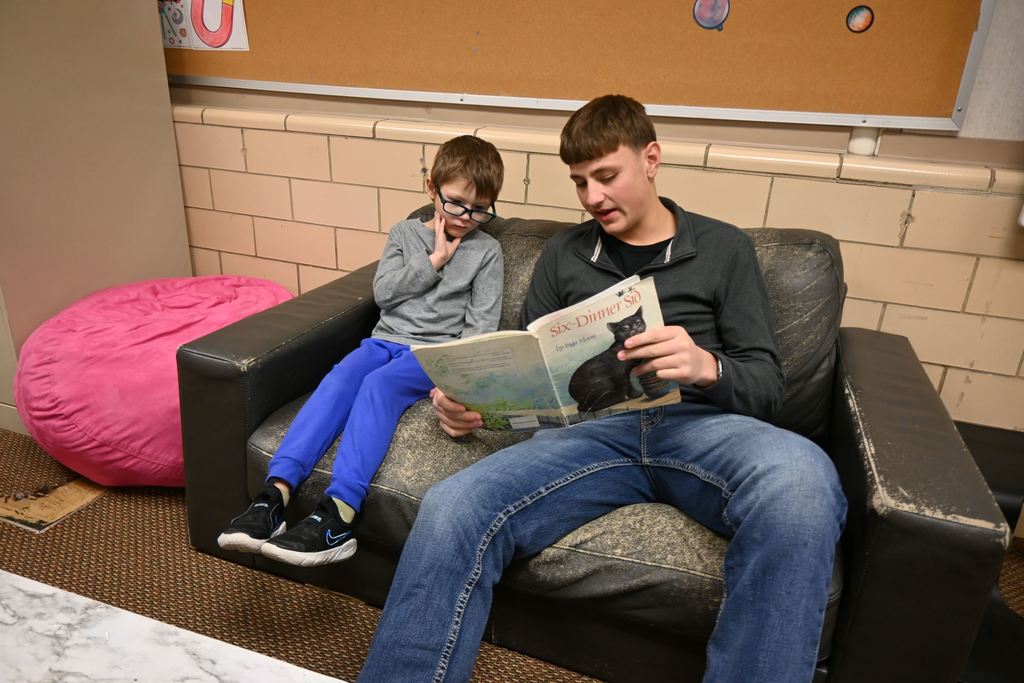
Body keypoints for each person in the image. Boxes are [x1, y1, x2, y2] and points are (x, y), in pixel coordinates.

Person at [357, 95, 847, 682]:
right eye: (580, 182)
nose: (593, 198)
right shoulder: (564, 255)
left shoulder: (724, 249)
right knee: (452, 505)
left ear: (652, 159)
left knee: (803, 481)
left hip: (705, 428)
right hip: (591, 435)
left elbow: (768, 389)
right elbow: (526, 377)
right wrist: (476, 409)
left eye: (607, 176)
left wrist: (705, 366)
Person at [216, 135, 505, 568]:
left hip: (431, 355)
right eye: (457, 203)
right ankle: (272, 498)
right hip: (382, 341)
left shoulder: (488, 252)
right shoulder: (406, 233)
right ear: (432, 189)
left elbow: (480, 329)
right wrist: (433, 262)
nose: (467, 217)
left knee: (379, 387)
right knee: (339, 379)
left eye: (481, 209)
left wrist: (459, 377)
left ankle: (339, 516)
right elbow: (385, 294)